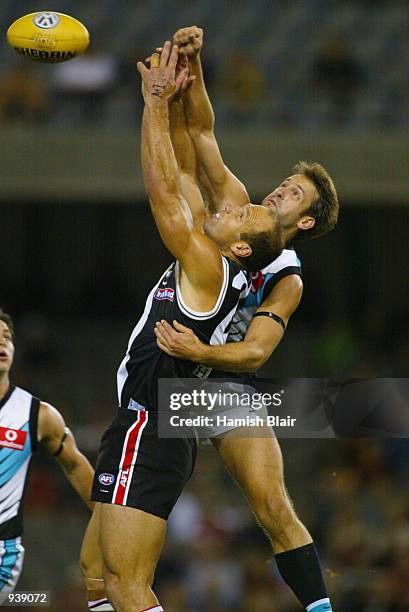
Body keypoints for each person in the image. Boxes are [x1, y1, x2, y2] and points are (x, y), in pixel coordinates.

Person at [88, 41, 283, 612]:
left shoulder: (206, 262)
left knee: (127, 587)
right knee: (95, 574)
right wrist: (179, 91)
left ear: (242, 244)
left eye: (244, 213)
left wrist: (150, 103)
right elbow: (186, 157)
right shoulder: (223, 263)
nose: (235, 202)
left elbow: (162, 188)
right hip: (156, 428)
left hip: (147, 427)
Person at [153, 26, 339, 612]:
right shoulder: (238, 206)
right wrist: (195, 65)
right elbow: (203, 132)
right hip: (171, 368)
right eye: (286, 182)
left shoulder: (288, 278)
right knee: (123, 508)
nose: (280, 190)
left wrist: (201, 354)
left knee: (272, 508)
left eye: (294, 195)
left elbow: (257, 353)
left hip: (222, 381)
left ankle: (321, 608)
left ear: (306, 222)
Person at [0, 309, 112, 610]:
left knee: (38, 600)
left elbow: (75, 465)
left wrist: (107, 517)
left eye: (7, 338)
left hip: (5, 547)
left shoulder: (37, 414)